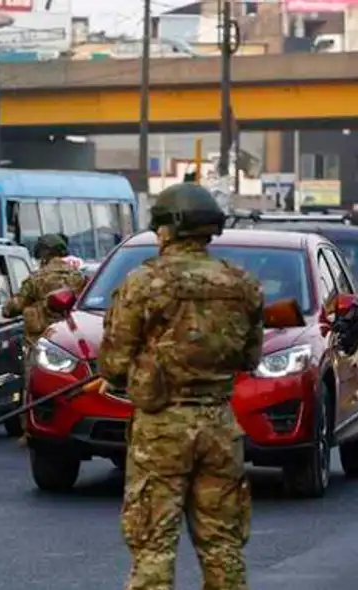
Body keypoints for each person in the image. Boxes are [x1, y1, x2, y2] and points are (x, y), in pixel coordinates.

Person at [97, 183, 262, 590]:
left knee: (153, 546)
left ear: (168, 229)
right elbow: (250, 358)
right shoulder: (241, 283)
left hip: (161, 429)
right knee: (223, 547)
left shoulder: (142, 283)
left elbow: (113, 364)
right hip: (220, 426)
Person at [1, 233, 86, 444]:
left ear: (44, 255)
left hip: (39, 342)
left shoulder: (36, 279)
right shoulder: (78, 277)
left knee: (34, 385)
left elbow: (11, 309)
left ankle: (31, 431)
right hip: (70, 343)